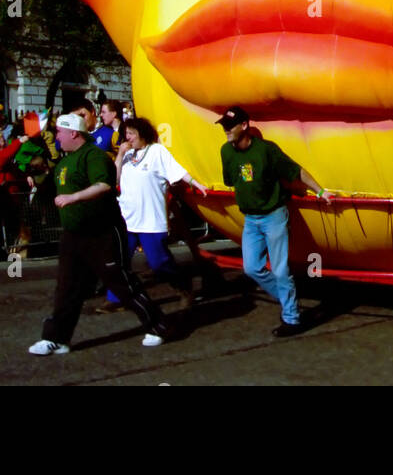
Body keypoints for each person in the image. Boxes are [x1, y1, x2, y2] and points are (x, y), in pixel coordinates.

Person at [27, 112, 171, 355]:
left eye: (60, 132)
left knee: (120, 281)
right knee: (66, 287)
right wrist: (31, 171)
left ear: (73, 133)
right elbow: (47, 186)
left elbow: (104, 185)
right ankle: (57, 338)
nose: (57, 137)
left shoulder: (93, 156)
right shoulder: (64, 161)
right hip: (73, 235)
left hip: (102, 231)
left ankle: (158, 325)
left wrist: (73, 197)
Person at [217, 107, 334, 337]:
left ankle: (292, 318)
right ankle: (289, 301)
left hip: (274, 216)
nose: (226, 130)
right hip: (251, 219)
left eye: (230, 126)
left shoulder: (266, 150)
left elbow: (295, 171)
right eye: (223, 126)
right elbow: (230, 180)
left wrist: (320, 192)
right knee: (251, 268)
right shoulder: (225, 152)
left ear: (244, 126)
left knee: (280, 270)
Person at [98, 116, 206, 315]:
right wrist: (120, 156)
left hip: (151, 219)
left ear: (143, 135)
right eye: (126, 134)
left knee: (159, 262)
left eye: (131, 134)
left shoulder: (157, 151)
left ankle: (183, 287)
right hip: (127, 218)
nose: (127, 138)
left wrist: (195, 183)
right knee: (119, 261)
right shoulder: (128, 155)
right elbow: (114, 180)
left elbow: (176, 170)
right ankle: (116, 297)